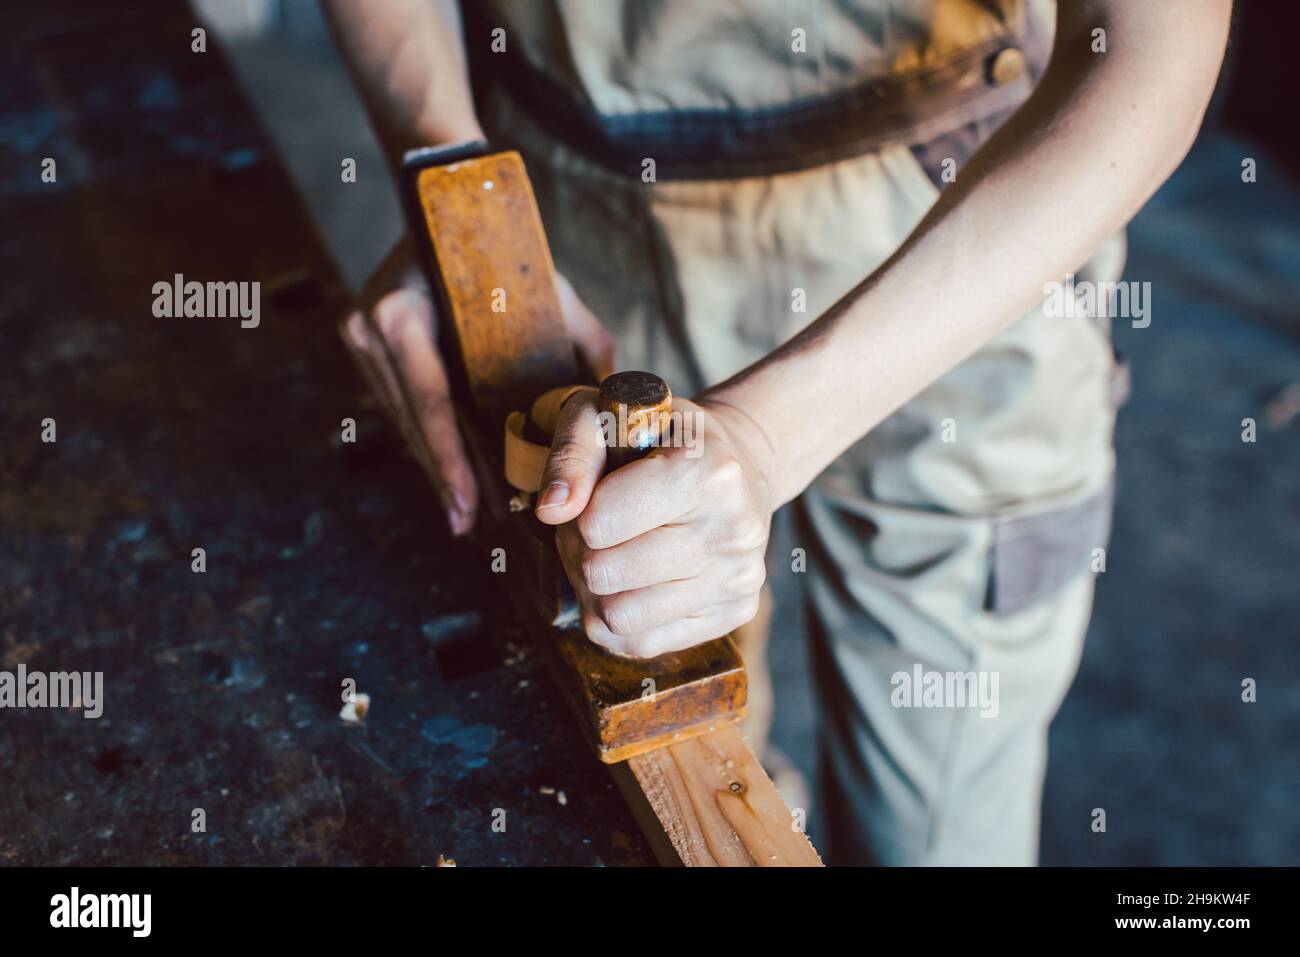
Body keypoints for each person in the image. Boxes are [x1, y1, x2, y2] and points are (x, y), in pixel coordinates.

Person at [321, 0, 1231, 865]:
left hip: (959, 256)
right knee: (669, 769)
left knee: (938, 827)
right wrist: (452, 190)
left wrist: (757, 438)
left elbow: (1154, 52)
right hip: (579, 239)